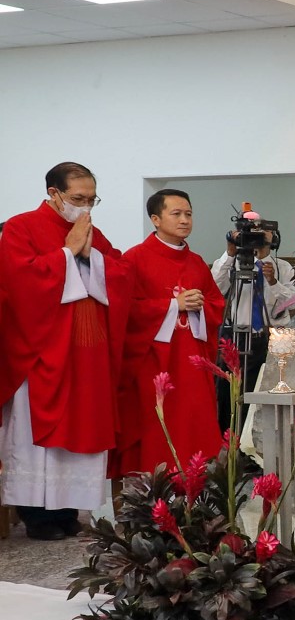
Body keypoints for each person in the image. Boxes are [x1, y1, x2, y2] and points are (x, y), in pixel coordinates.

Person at [0, 162, 131, 540]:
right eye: (78, 198)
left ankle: (69, 510)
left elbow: (122, 273)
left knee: (81, 431)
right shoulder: (21, 227)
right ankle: (36, 515)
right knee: (37, 437)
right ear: (54, 194)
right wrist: (67, 253)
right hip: (42, 351)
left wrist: (92, 258)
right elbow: (18, 282)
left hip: (85, 355)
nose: (85, 206)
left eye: (92, 199)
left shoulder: (93, 232)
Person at [113, 190, 224, 476]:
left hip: (192, 365)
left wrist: (200, 307)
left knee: (193, 429)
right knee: (157, 431)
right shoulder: (135, 259)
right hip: (153, 362)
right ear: (155, 219)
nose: (184, 220)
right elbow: (125, 310)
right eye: (176, 214)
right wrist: (173, 305)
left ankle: (194, 490)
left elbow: (216, 304)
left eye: (188, 214)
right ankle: (154, 493)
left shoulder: (197, 262)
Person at [210, 215, 295, 431]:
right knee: (229, 398)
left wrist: (273, 283)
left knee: (264, 396)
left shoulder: (283, 267)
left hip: (270, 339)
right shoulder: (231, 263)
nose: (255, 235)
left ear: (273, 235)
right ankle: (229, 442)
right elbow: (213, 288)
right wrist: (230, 253)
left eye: (261, 229)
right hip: (235, 338)